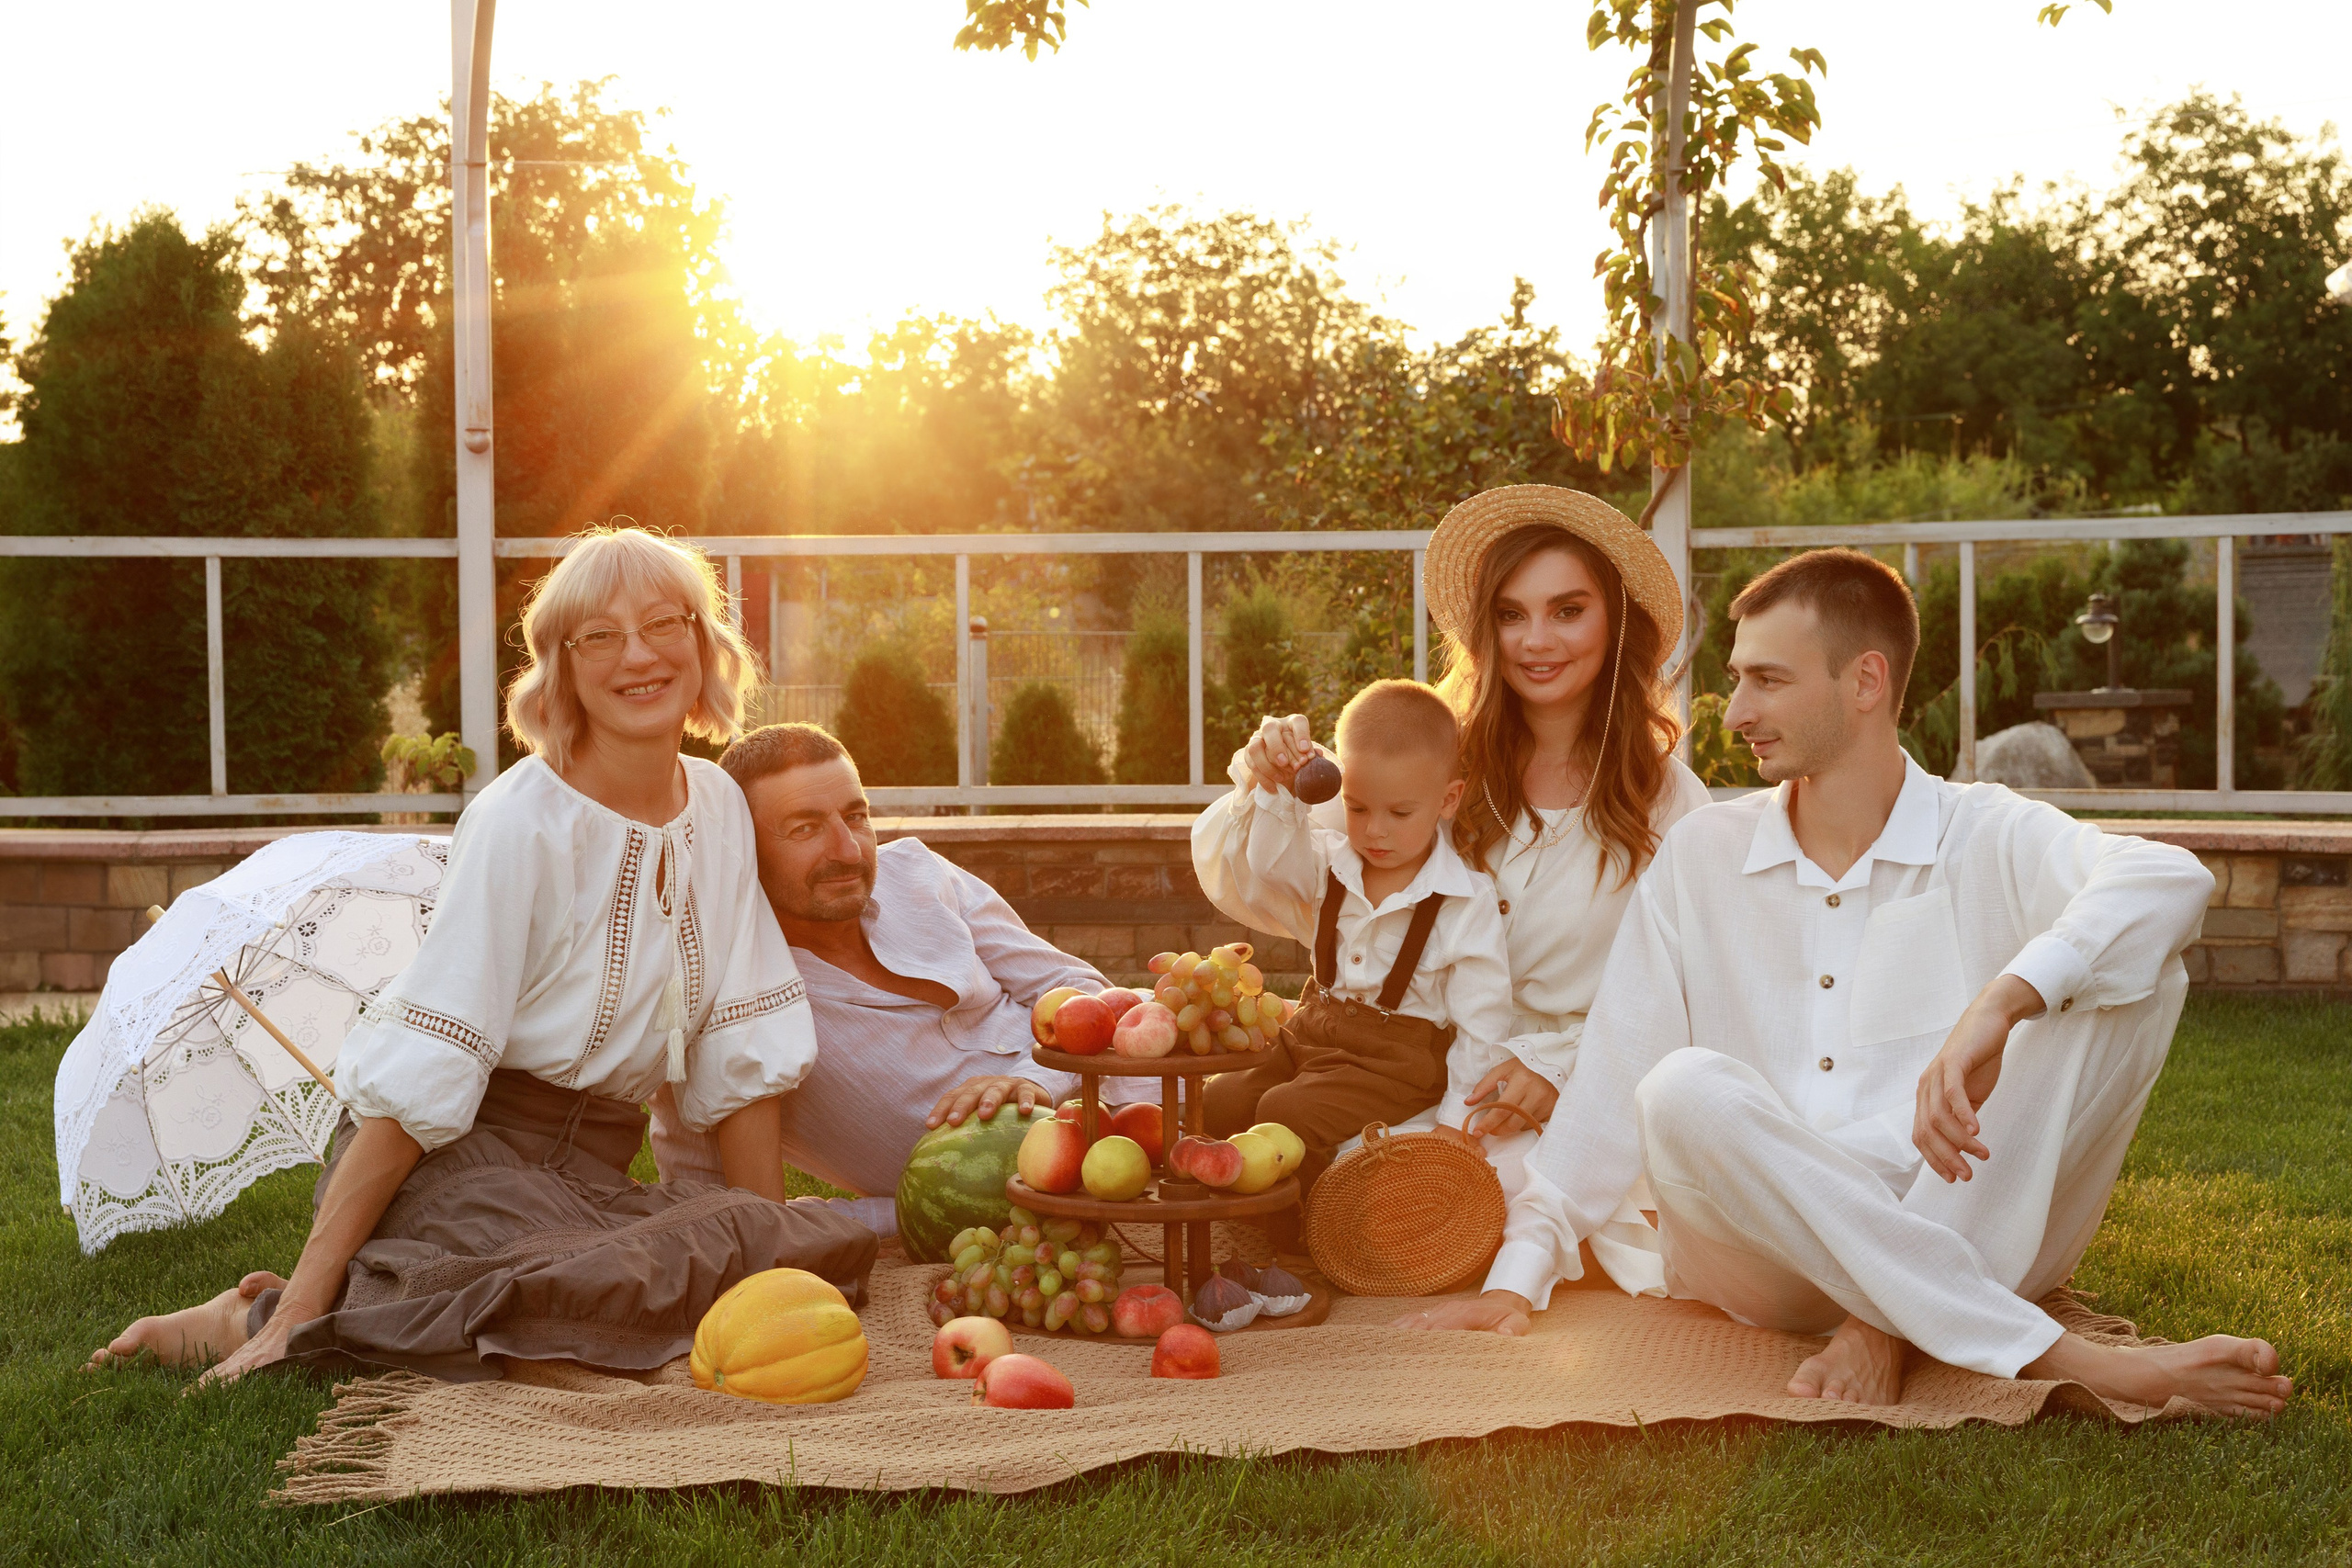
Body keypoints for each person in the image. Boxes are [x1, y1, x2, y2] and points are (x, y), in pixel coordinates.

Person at [1402, 548, 2293, 1421]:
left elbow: (2168, 878)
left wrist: (2005, 1001)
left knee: (2129, 978)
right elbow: (1611, 1080)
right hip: (1758, 1250)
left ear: (1865, 681)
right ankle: (2066, 1357)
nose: (1736, 712)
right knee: (1679, 1087)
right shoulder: (1703, 852)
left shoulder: (1984, 830)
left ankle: (1882, 1322)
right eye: (1738, 680)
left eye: (1767, 681)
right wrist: (1516, 1278)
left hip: (1954, 1210)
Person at [89, 526, 874, 1384]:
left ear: (700, 638)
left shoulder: (719, 807)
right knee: (576, 1287)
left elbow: (740, 1046)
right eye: (600, 635)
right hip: (459, 1165)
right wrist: (301, 1303)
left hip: (588, 1185)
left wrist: (760, 1254)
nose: (638, 655)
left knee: (813, 1246)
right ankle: (270, 1313)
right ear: (562, 665)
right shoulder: (517, 822)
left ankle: (413, 1294)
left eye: (662, 623)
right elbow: (426, 1081)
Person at [1240, 486, 1710, 1283]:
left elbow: (1689, 989)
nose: (1537, 640)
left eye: (1568, 611)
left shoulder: (1665, 800)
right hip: (1419, 1067)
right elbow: (1302, 870)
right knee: (1319, 1155)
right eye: (1511, 614)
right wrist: (1269, 780)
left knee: (1473, 1191)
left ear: (1616, 622)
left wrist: (1560, 1070)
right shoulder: (1442, 765)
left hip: (1586, 1076)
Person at [650, 723, 1151, 1203]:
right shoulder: (723, 993)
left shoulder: (917, 872)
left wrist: (1036, 1079)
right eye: (805, 828)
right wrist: (883, 1217)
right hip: (1057, 1181)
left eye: (856, 816)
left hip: (1147, 1084)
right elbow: (707, 1196)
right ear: (742, 850)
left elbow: (1080, 986)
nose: (848, 850)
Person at [1193, 680, 1512, 1190]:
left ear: (1448, 799)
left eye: (1399, 813)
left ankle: (1312, 1219)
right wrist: (1279, 790)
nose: (1374, 830)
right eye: (1357, 808)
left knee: (1285, 1113)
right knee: (1219, 1098)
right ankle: (1236, 1200)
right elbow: (1271, 865)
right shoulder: (1330, 861)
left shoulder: (1464, 901)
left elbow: (1482, 1021)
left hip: (1395, 1067)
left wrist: (1457, 1121)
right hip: (1312, 1036)